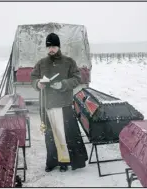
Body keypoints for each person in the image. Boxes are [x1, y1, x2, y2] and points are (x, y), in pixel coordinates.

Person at [31, 33, 88, 172]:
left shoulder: (69, 62)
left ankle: (65, 162)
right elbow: (33, 78)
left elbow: (76, 78)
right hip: (46, 104)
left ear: (59, 46)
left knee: (64, 135)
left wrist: (63, 84)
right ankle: (52, 161)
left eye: (54, 46)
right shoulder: (41, 63)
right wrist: (38, 83)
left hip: (64, 105)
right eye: (49, 46)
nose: (51, 49)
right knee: (49, 136)